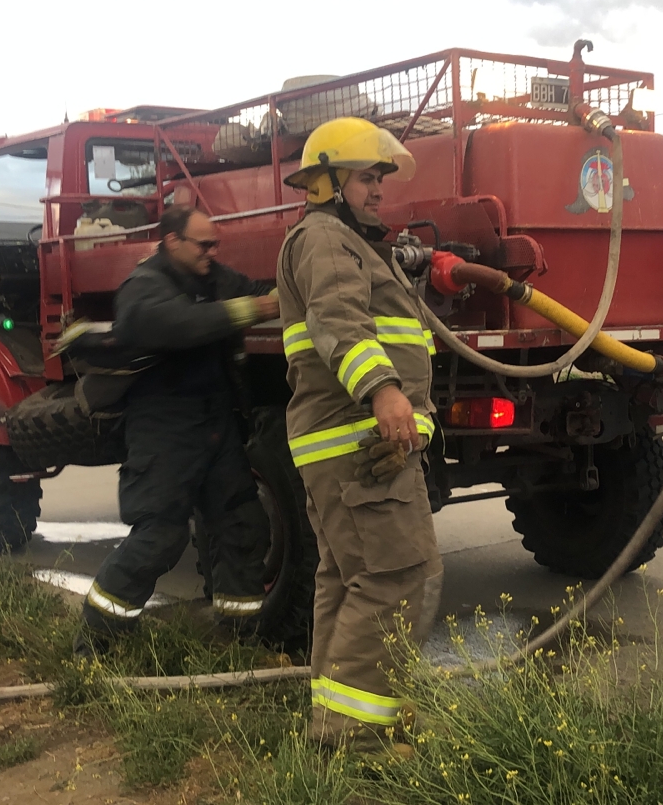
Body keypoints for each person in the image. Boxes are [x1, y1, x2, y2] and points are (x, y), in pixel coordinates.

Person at [277, 117, 440, 755]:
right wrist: (384, 390)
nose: (378, 190)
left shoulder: (343, 240)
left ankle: (346, 716)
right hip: (358, 440)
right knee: (398, 573)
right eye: (368, 177)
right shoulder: (324, 240)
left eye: (380, 178)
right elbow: (338, 319)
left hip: (343, 442)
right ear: (328, 181)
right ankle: (353, 739)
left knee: (348, 580)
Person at [76, 206, 280, 652]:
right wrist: (251, 309)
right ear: (172, 242)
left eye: (215, 245)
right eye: (203, 244)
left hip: (215, 425)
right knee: (160, 537)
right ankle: (95, 646)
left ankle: (238, 639)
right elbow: (174, 324)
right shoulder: (144, 286)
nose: (212, 252)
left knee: (242, 526)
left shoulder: (215, 279)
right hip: (164, 429)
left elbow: (260, 292)